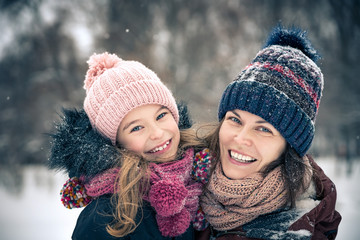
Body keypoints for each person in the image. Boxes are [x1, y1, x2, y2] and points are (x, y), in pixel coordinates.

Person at [194, 26, 342, 239]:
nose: (241, 138)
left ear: (288, 146)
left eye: (263, 129)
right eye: (235, 119)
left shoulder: (295, 230)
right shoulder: (184, 185)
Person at [49, 52, 209, 239]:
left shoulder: (201, 178)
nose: (157, 133)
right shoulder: (107, 214)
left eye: (161, 116)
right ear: (116, 143)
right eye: (137, 128)